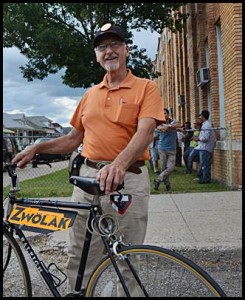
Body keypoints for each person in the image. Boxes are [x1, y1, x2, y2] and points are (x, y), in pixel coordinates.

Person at [12, 22, 165, 294]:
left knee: (127, 260)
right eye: (102, 47)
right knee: (79, 257)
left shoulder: (146, 88)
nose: (109, 51)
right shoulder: (89, 95)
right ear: (96, 55)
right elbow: (73, 139)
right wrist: (37, 148)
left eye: (115, 44)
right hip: (87, 181)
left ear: (126, 49)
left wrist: (118, 165)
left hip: (127, 180)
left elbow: (146, 132)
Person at [154, 108, 180, 191]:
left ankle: (158, 180)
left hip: (172, 149)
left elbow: (178, 125)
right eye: (162, 114)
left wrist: (169, 126)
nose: (164, 115)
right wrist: (170, 127)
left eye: (165, 113)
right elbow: (162, 128)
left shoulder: (173, 121)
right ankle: (167, 185)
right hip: (162, 148)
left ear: (168, 114)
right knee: (164, 168)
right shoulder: (158, 123)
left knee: (171, 167)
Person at [192, 110, 216, 183]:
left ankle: (206, 179)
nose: (199, 117)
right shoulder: (204, 124)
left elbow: (205, 138)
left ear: (203, 116)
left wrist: (197, 139)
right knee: (194, 157)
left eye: (200, 116)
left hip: (205, 148)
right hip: (201, 147)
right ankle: (200, 176)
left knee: (205, 164)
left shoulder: (207, 125)